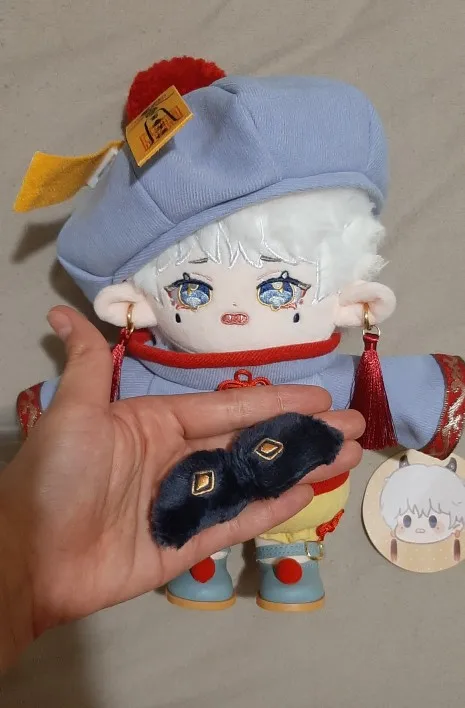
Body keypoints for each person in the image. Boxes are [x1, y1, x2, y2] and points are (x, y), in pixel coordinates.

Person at [0, 306, 365, 670]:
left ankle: (289, 556)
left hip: (281, 475)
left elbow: (373, 384)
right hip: (176, 465)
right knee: (198, 504)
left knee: (292, 503)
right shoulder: (148, 367)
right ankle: (203, 554)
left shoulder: (322, 368)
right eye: (194, 294)